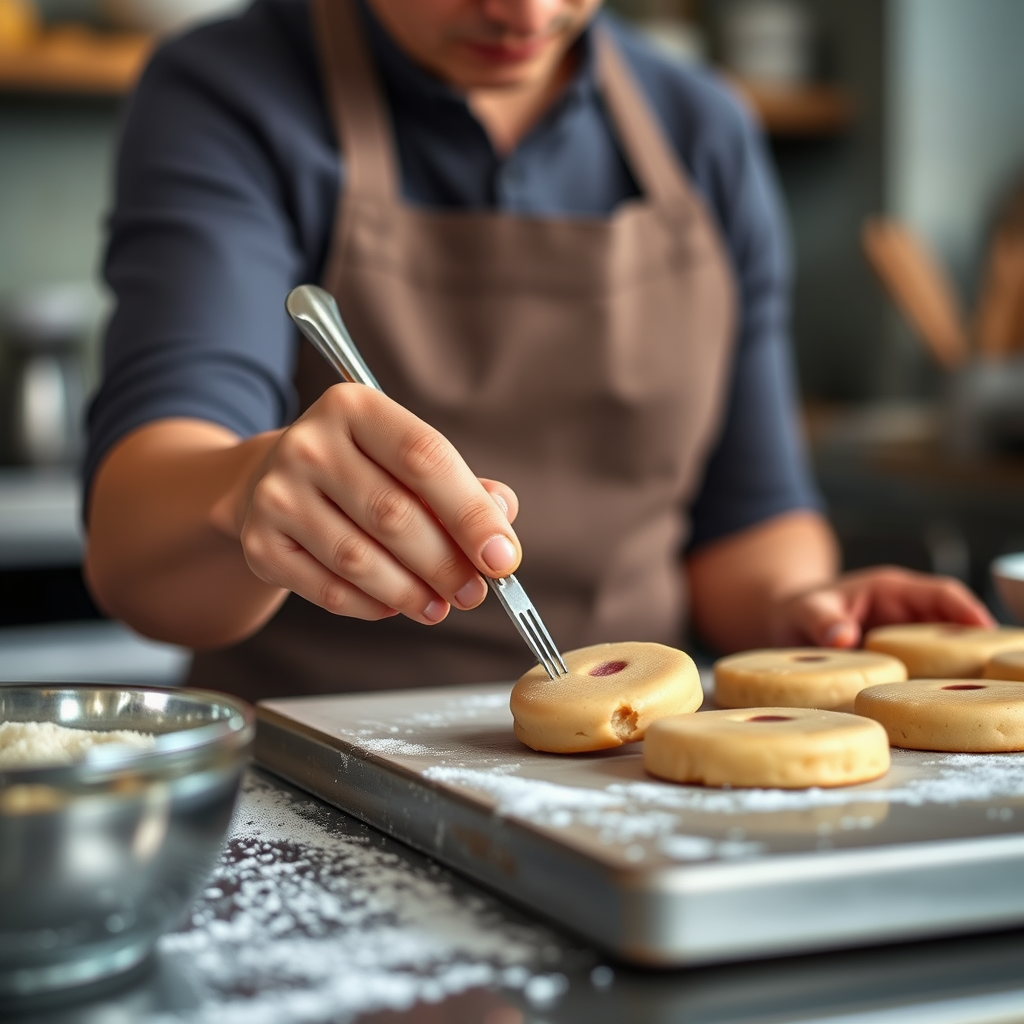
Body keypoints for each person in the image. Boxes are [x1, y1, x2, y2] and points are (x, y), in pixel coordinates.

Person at [83, 0, 992, 701]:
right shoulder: (228, 93)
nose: (525, 13)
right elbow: (136, 549)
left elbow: (747, 520)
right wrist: (244, 490)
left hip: (625, 774)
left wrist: (800, 613)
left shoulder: (703, 128)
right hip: (312, 779)